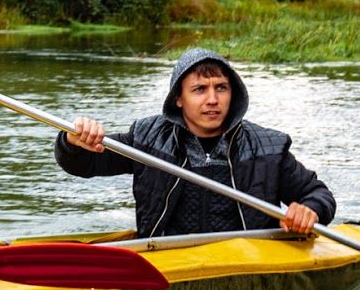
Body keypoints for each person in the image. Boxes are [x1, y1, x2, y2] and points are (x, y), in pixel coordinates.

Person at [55, 45, 334, 238]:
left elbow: (320, 195)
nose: (212, 100)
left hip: (247, 262)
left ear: (232, 94)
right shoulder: (146, 140)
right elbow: (84, 163)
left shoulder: (268, 148)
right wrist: (73, 140)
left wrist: (309, 210)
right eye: (199, 89)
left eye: (221, 88)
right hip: (172, 262)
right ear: (179, 98)